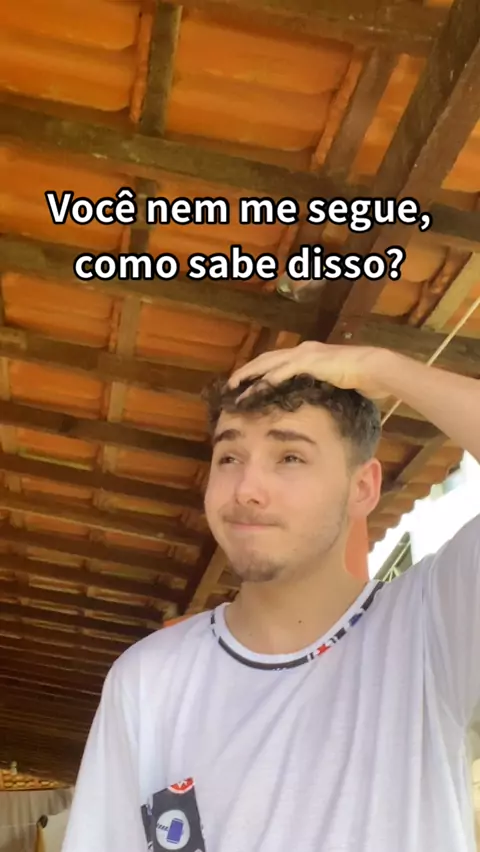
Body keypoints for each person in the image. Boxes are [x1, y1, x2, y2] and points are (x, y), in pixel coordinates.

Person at [61, 341, 480, 852]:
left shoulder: (430, 627)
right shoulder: (148, 679)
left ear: (363, 488)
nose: (246, 489)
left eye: (290, 456)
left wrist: (382, 367)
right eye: (229, 457)